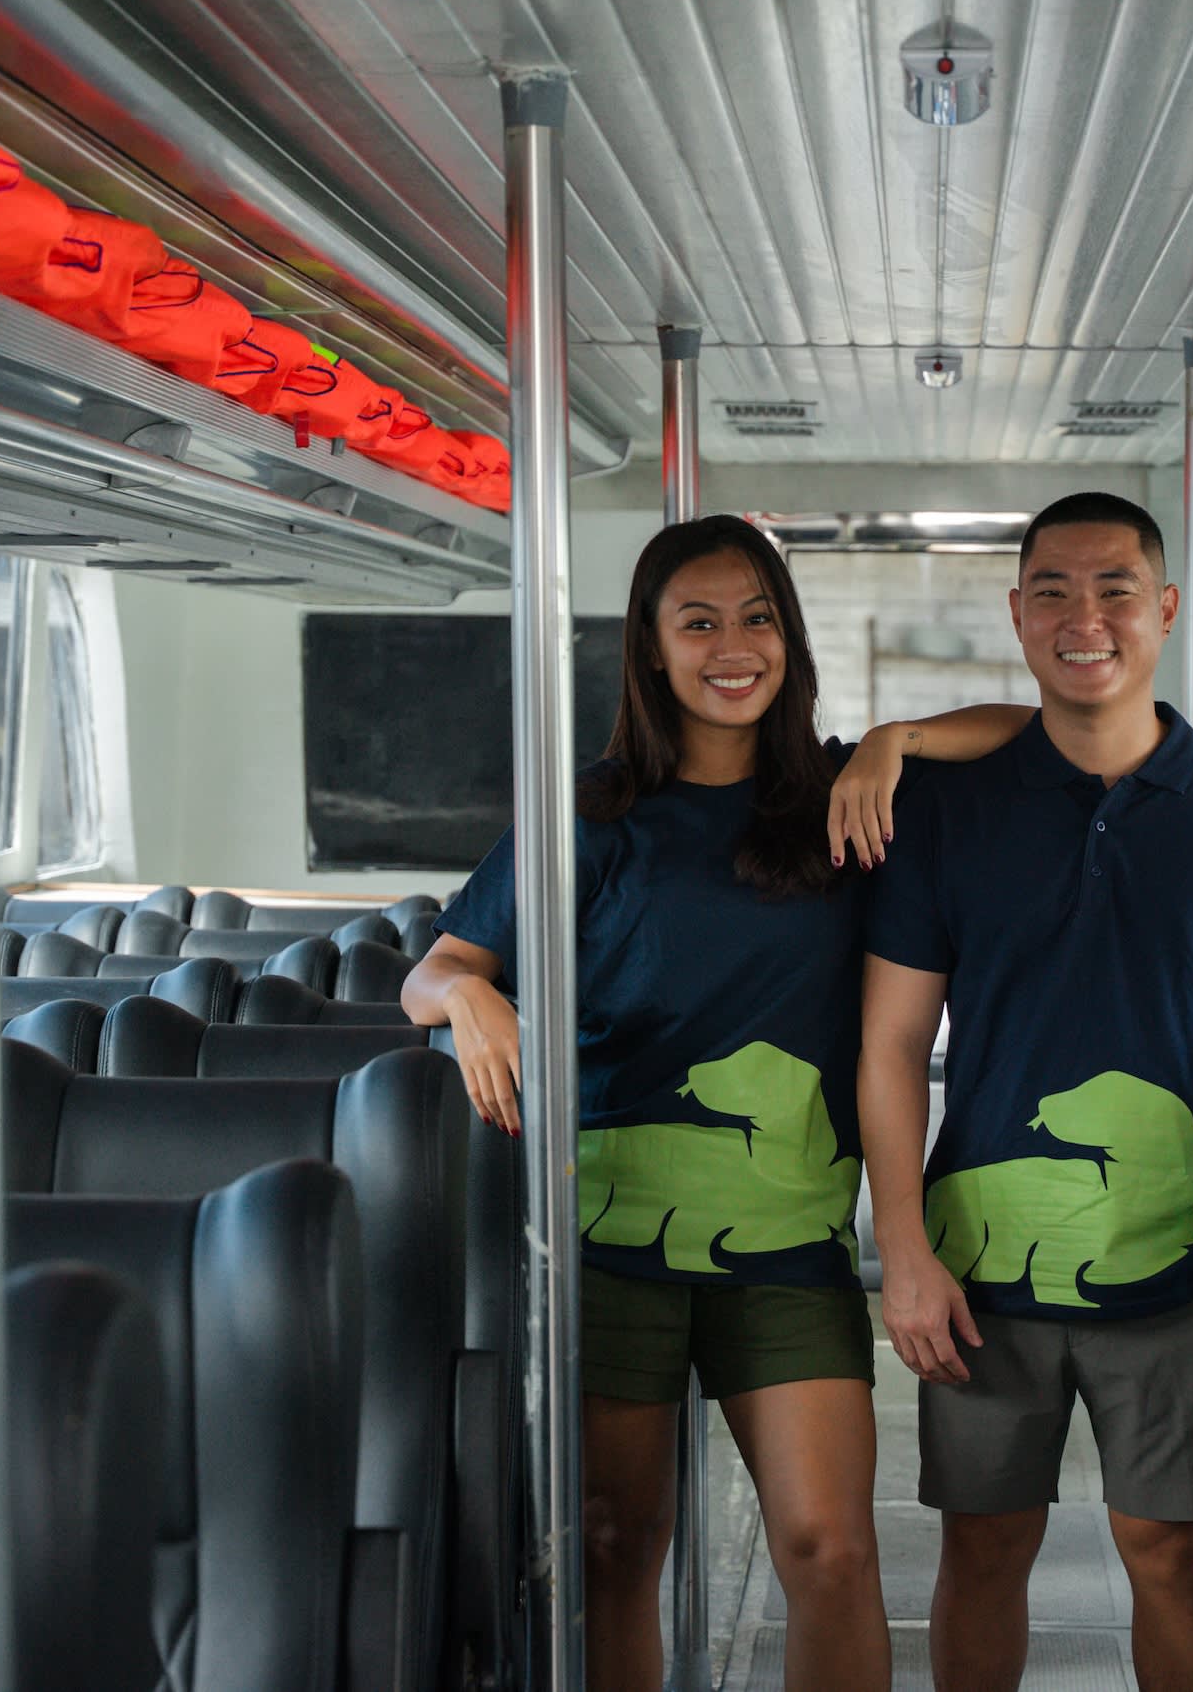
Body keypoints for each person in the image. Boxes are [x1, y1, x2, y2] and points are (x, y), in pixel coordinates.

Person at [402, 512, 1027, 1692]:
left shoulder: (846, 798)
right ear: (650, 647)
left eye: (757, 619)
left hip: (788, 1246)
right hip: (605, 1240)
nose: (732, 647)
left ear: (789, 638)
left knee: (830, 1550)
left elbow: (1031, 732)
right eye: (698, 623)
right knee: (612, 1545)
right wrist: (471, 998)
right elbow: (431, 971)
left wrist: (894, 739)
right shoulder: (587, 816)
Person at [858, 492, 1193, 1692]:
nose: (1082, 618)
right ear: (1016, 614)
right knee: (984, 1548)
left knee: (1173, 1554)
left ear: (1165, 609)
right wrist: (904, 1249)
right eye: (1051, 591)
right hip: (981, 1265)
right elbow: (891, 1043)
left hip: (1186, 1259)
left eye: (1114, 591)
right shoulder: (945, 810)